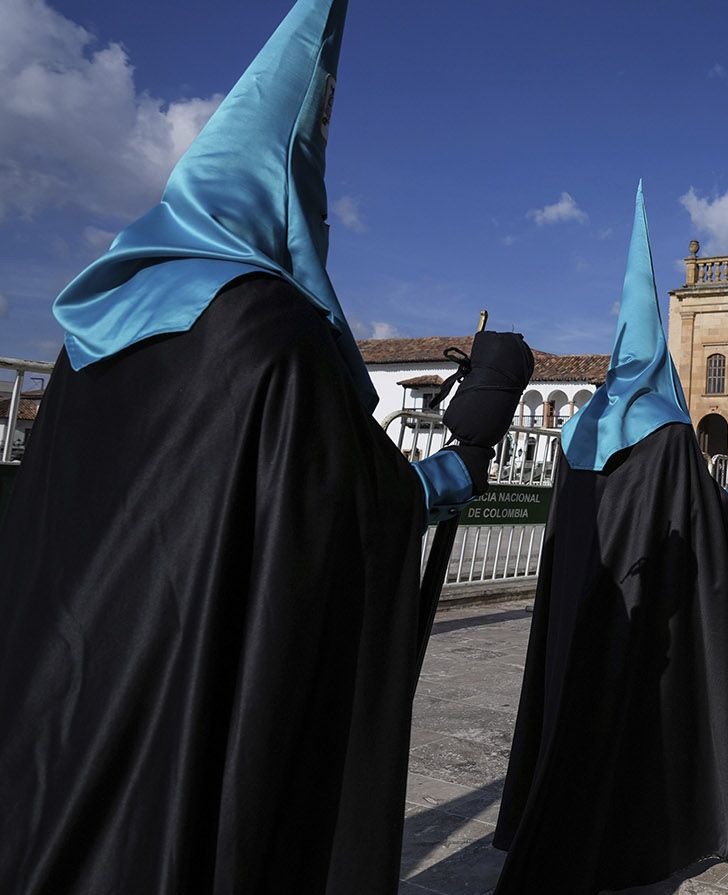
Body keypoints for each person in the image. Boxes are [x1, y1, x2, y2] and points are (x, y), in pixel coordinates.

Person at [0, 3, 533, 890]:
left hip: (50, 734)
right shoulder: (267, 334)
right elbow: (359, 509)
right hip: (178, 737)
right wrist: (474, 429)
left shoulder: (88, 327)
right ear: (291, 191)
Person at [491, 184, 728, 891]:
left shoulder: (579, 427)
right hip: (645, 621)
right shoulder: (671, 431)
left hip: (577, 615)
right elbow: (704, 524)